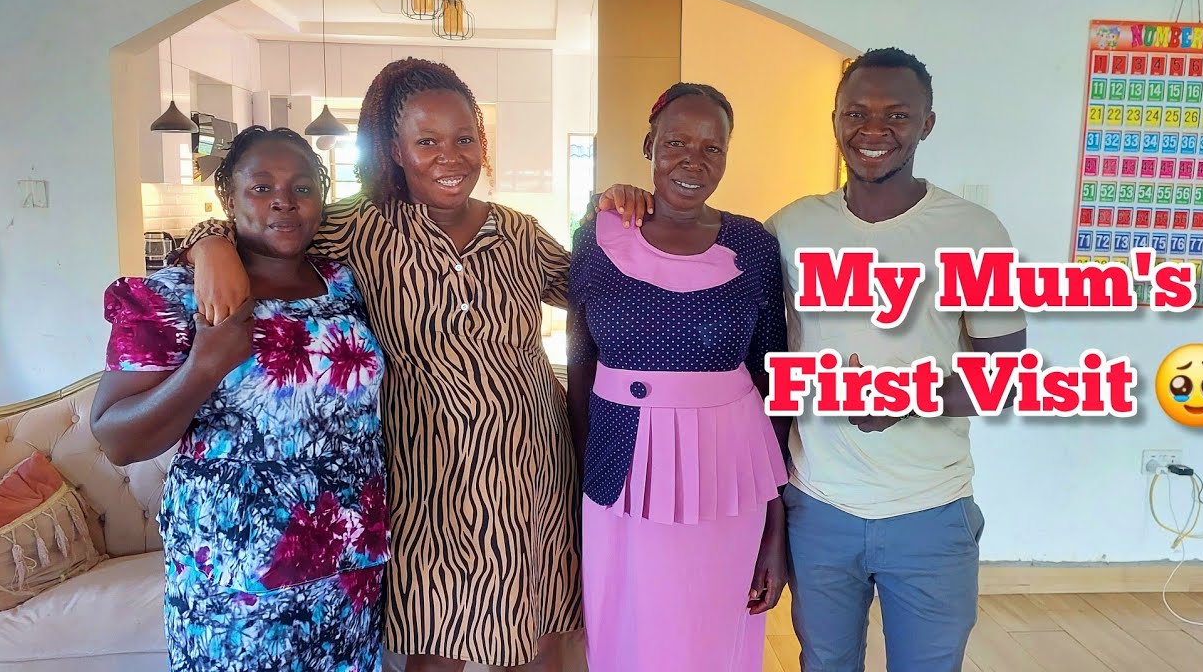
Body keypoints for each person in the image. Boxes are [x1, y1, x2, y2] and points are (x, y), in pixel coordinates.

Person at [169, 58, 651, 672]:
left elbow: (601, 283)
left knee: (541, 638)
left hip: (534, 465)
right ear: (395, 149)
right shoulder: (356, 227)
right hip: (427, 473)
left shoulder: (520, 233)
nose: (451, 157)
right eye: (427, 142)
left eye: (464, 139)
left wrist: (612, 209)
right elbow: (269, 228)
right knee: (436, 644)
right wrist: (208, 238)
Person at [765, 48, 1028, 672]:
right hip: (819, 505)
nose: (874, 129)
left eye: (897, 114)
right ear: (835, 119)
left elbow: (1006, 379)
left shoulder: (973, 230)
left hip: (931, 511)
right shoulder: (789, 229)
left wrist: (907, 397)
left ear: (927, 124)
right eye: (857, 112)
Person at [90, 127, 389, 671]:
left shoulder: (346, 284)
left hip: (348, 561)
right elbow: (116, 438)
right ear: (229, 197)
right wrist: (204, 366)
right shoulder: (174, 295)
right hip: (235, 570)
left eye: (302, 187)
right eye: (261, 187)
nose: (283, 200)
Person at [567, 83, 790, 672]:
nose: (693, 161)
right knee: (625, 633)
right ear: (649, 145)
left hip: (727, 478)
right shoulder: (596, 235)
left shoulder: (754, 246)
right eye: (676, 143)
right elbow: (579, 371)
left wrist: (777, 528)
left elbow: (774, 386)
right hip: (618, 476)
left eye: (713, 148)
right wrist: (576, 488)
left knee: (712, 635)